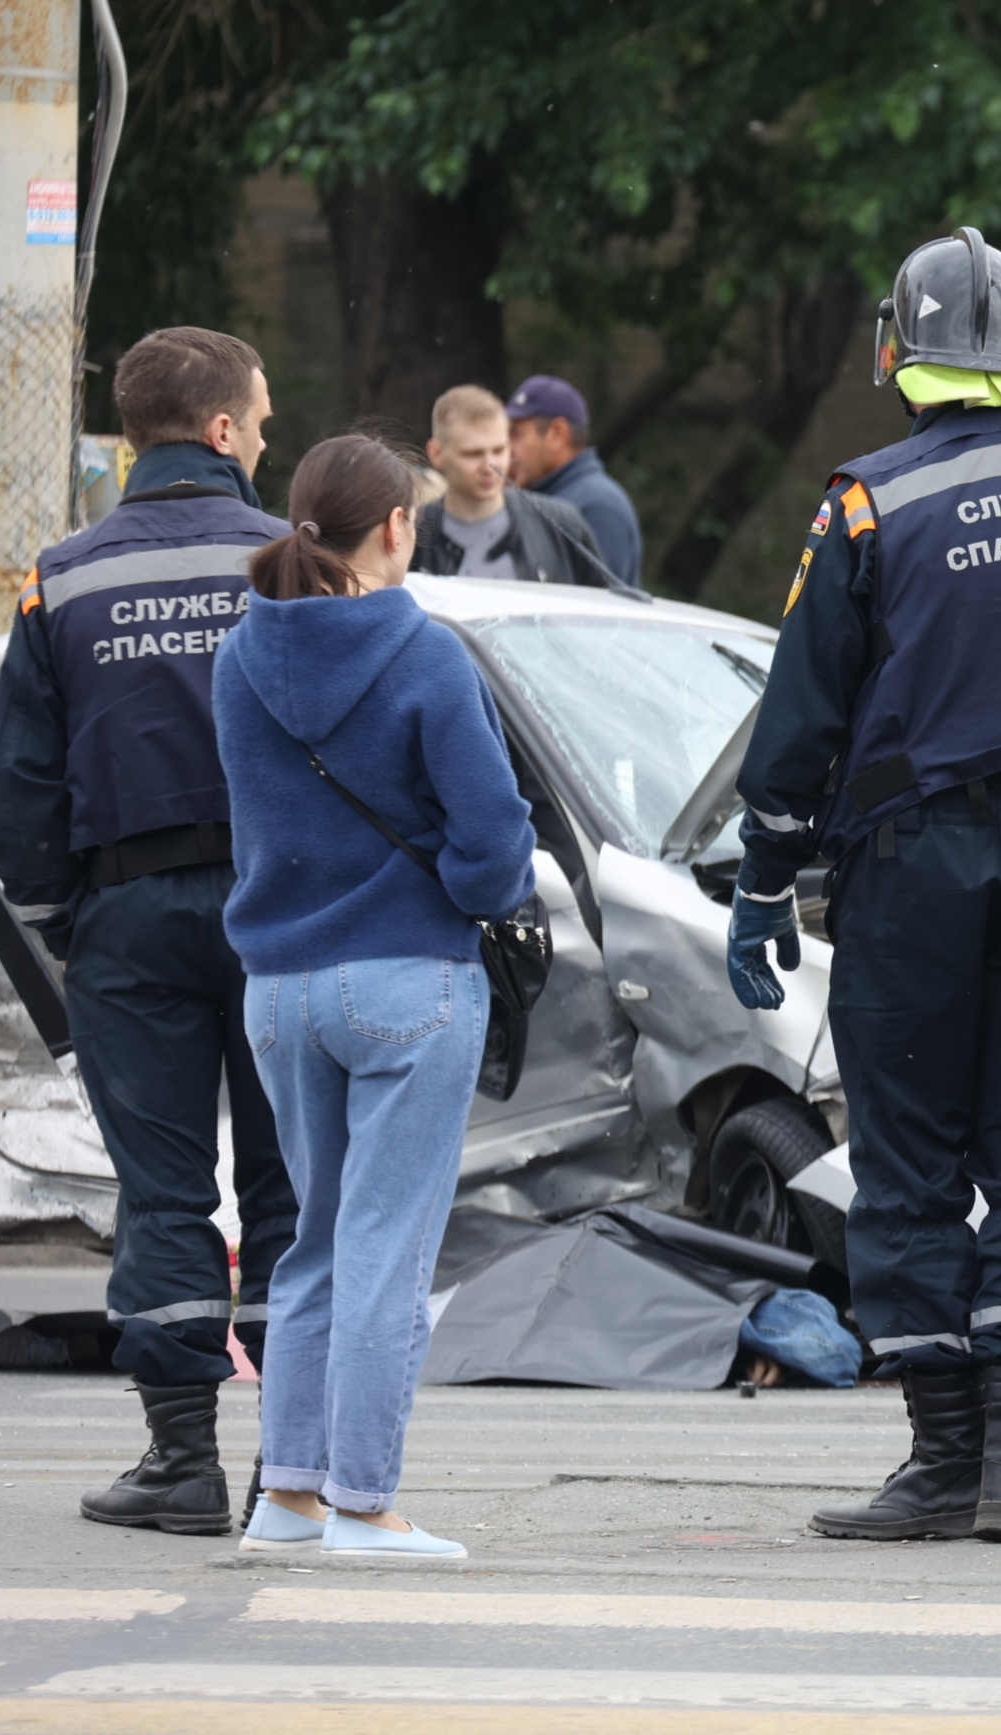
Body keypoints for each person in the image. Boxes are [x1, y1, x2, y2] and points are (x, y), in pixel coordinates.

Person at [728, 228, 1001, 1544]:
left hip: (919, 855)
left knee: (913, 1157)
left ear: (892, 348)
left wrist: (762, 878)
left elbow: (802, 714)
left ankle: (941, 1459)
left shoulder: (866, 502)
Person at [0, 326, 298, 1535]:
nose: (267, 436)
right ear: (221, 430)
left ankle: (182, 1465)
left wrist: (75, 918)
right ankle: (294, 1466)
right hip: (284, 912)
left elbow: (26, 795)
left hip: (130, 915)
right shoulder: (293, 561)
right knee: (288, 1188)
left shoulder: (61, 576)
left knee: (165, 1194)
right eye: (261, 418)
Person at [214, 434, 537, 1559]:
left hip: (278, 989)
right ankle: (365, 1503)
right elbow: (496, 846)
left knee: (311, 1245)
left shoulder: (236, 658)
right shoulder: (427, 655)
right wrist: (459, 884)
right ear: (397, 524)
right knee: (388, 1248)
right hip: (407, 979)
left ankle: (287, 1496)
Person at [416, 385, 623, 588]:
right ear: (437, 454)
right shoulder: (411, 533)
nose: (490, 466)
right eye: (473, 454)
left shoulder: (561, 523)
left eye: (499, 450)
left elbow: (611, 608)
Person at [504, 375, 643, 588]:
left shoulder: (597, 505)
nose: (506, 448)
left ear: (558, 434)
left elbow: (600, 609)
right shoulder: (553, 495)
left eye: (515, 434)